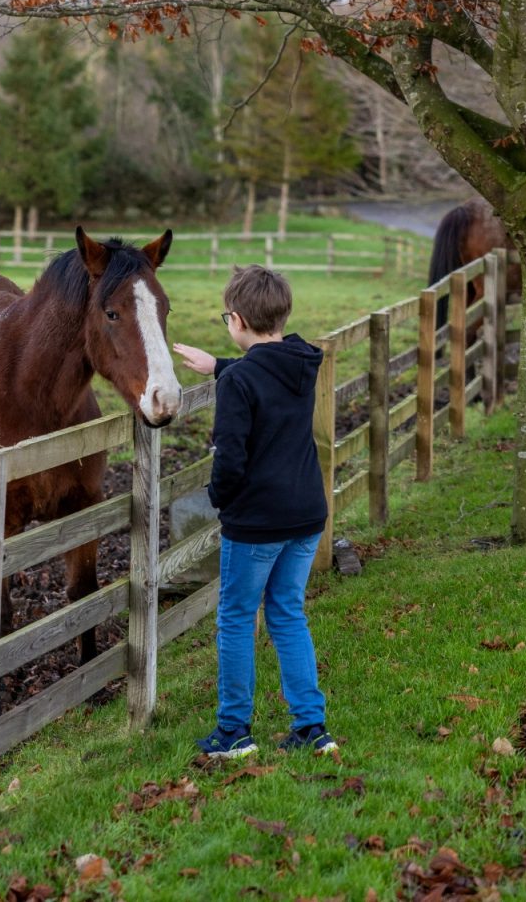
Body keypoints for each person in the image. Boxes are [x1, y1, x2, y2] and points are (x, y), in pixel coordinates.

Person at [172, 264, 336, 758]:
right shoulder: (303, 364)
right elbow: (263, 372)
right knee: (287, 612)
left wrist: (222, 499)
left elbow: (231, 456)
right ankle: (312, 727)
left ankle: (234, 730)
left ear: (238, 319)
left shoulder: (240, 383)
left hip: (257, 521)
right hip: (306, 513)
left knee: (238, 617)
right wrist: (221, 364)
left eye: (227, 317)